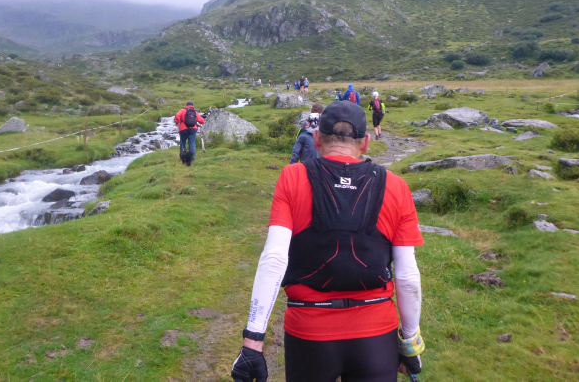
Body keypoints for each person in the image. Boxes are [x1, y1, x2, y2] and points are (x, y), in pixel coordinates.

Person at [231, 101, 424, 382]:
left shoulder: (292, 177)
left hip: (309, 333)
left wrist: (253, 342)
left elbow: (274, 258)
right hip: (376, 335)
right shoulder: (396, 186)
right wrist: (409, 342)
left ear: (317, 138)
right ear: (365, 143)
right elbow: (407, 277)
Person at [174, 101, 205, 166]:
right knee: (192, 143)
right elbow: (202, 121)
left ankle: (182, 158)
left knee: (183, 143)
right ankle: (192, 158)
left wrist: (177, 122)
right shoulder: (195, 112)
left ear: (186, 105)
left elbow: (177, 115)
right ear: (192, 106)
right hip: (193, 129)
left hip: (183, 129)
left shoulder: (183, 110)